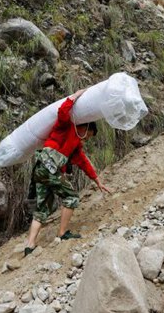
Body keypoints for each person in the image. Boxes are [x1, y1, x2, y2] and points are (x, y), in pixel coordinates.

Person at [24, 88, 111, 256]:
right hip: (49, 167)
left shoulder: (76, 146)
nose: (86, 140)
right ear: (85, 127)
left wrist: (97, 180)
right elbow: (63, 111)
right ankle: (63, 233)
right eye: (88, 135)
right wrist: (75, 96)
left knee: (42, 208)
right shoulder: (66, 126)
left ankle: (30, 245)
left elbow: (84, 163)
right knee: (71, 197)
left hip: (41, 170)